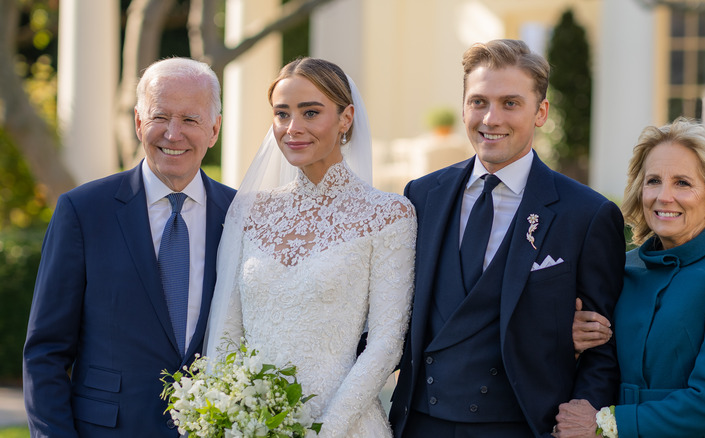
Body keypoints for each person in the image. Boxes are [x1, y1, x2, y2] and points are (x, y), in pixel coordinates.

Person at [388, 39, 626, 438]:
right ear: (464, 106)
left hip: (523, 425)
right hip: (419, 424)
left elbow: (605, 349)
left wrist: (582, 413)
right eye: (478, 102)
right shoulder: (421, 196)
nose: (491, 118)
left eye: (510, 103)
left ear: (541, 113)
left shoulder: (586, 214)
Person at [23, 57, 236, 437]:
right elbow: (45, 353)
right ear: (139, 122)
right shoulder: (83, 211)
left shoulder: (240, 217)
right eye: (160, 117)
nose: (173, 134)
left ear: (215, 129)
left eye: (190, 120)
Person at [204, 57, 416, 438]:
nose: (292, 128)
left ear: (345, 118)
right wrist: (226, 413)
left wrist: (323, 431)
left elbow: (386, 344)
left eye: (310, 112)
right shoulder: (249, 212)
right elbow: (226, 332)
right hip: (251, 426)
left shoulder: (389, 215)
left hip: (344, 425)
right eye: (282, 114)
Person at [556, 118, 705, 438]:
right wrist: (571, 343)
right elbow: (600, 367)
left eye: (683, 182)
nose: (664, 196)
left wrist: (605, 423)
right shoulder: (622, 269)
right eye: (653, 181)